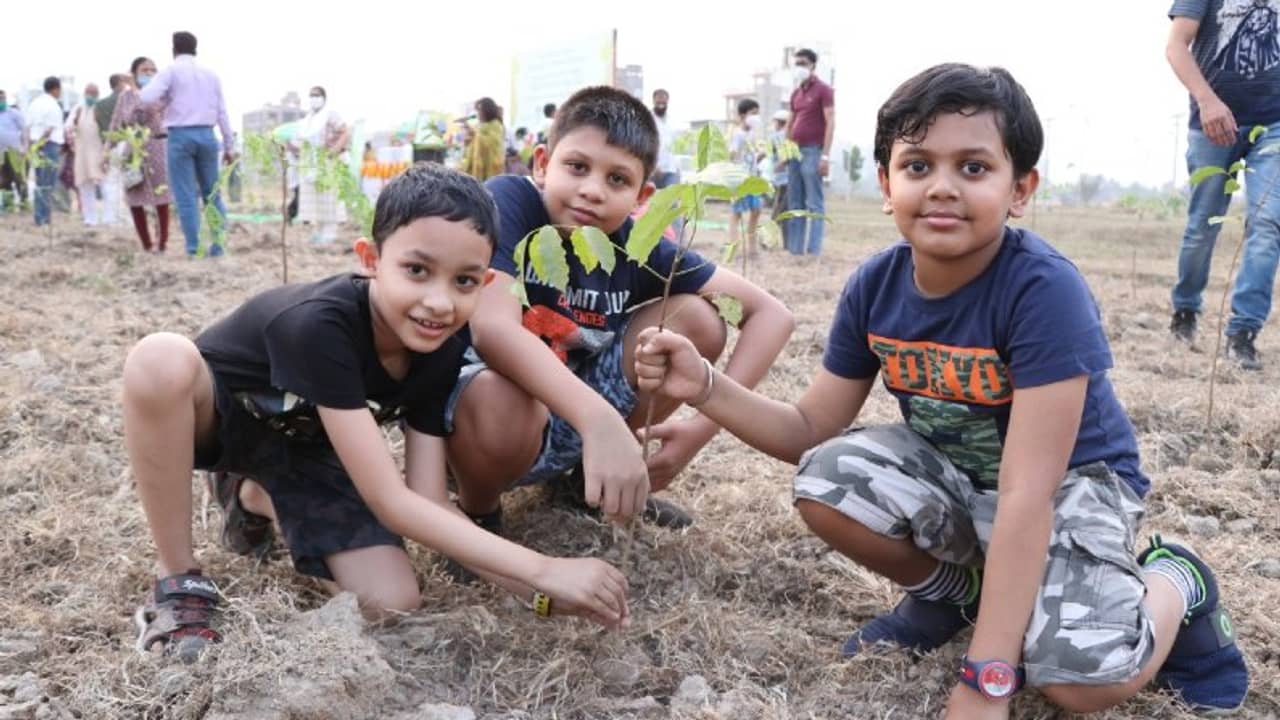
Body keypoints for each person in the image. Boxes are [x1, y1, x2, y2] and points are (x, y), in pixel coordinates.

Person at [633, 63, 1248, 717]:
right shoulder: (875, 287)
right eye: (918, 165)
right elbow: (809, 429)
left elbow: (1028, 492)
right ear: (885, 184)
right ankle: (956, 593)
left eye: (974, 168)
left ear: (1021, 189)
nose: (942, 188)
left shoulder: (1042, 290)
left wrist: (988, 675)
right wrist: (704, 384)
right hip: (966, 481)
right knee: (827, 479)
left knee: (1077, 683)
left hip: (1071, 488)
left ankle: (1178, 578)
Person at [124, 164, 630, 662]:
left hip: (309, 448)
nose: (438, 302)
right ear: (370, 259)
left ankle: (254, 496)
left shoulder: (443, 351)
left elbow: (426, 499)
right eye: (417, 270)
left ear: (488, 282)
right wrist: (543, 568)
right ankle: (179, 582)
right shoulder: (319, 325)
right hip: (224, 419)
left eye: (464, 281)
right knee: (160, 358)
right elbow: (391, 502)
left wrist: (531, 592)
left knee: (391, 602)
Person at [444, 85, 794, 534]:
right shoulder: (511, 201)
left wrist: (698, 433)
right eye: (577, 167)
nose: (592, 191)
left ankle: (586, 486)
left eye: (617, 179)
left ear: (642, 194)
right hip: (483, 425)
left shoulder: (636, 242)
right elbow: (493, 331)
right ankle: (478, 510)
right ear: (542, 164)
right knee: (498, 391)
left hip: (581, 422)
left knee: (697, 320)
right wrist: (600, 420)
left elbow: (772, 316)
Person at [1167, 0, 1280, 371]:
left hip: (1274, 126)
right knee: (1203, 225)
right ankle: (1185, 310)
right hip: (1212, 123)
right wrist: (1207, 101)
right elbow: (1176, 46)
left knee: (1267, 224)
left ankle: (1242, 333)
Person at [139, 31, 235, 257]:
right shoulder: (211, 75)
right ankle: (219, 246)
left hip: (180, 136)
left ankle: (195, 249)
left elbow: (145, 97)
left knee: (186, 196)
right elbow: (222, 112)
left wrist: (166, 99)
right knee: (212, 194)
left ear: (173, 50)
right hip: (207, 134)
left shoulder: (171, 71)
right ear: (195, 49)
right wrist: (229, 145)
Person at [111, 59, 172, 253]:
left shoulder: (161, 94)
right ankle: (146, 244)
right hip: (134, 150)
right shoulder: (125, 96)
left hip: (158, 146)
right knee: (134, 197)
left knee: (161, 198)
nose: (149, 73)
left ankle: (161, 243)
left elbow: (148, 112)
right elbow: (120, 122)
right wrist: (106, 151)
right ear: (134, 73)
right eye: (144, 70)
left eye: (153, 70)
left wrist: (138, 92)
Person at [783, 48, 835, 256]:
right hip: (794, 152)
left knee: (814, 203)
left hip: (813, 150)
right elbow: (790, 123)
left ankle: (814, 251)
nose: (799, 67)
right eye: (796, 63)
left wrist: (825, 155)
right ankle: (795, 251)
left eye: (803, 63)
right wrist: (786, 151)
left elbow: (831, 121)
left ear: (813, 65)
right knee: (795, 202)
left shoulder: (823, 90)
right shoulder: (796, 93)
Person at [294, 86, 350, 244]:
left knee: (329, 197)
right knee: (315, 198)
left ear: (324, 98)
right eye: (311, 95)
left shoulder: (330, 115)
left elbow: (345, 131)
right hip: (311, 162)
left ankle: (330, 232)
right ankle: (319, 231)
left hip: (328, 161)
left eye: (317, 95)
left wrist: (334, 150)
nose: (314, 98)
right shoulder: (308, 119)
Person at [727, 98, 766, 259]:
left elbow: (757, 154)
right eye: (753, 113)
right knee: (736, 214)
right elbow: (732, 154)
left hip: (753, 177)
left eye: (757, 113)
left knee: (756, 211)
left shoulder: (754, 134)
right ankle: (734, 247)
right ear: (743, 115)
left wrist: (760, 155)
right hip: (740, 179)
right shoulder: (737, 133)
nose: (756, 117)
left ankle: (752, 248)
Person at [66, 83, 108, 226]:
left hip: (99, 152)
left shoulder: (101, 108)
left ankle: (108, 218)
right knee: (85, 185)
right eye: (88, 92)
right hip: (82, 154)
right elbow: (68, 127)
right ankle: (90, 219)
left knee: (105, 184)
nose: (91, 95)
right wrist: (74, 124)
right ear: (84, 94)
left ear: (98, 94)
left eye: (93, 93)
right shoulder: (78, 109)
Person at [25, 76, 65, 227]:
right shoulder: (53, 105)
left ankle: (39, 217)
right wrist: (41, 144)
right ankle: (44, 219)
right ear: (55, 89)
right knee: (48, 184)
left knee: (40, 182)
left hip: (36, 145)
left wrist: (32, 146)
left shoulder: (34, 103)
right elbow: (49, 130)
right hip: (48, 145)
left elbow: (28, 128)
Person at [95, 74, 130, 225]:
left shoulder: (100, 105)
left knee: (111, 182)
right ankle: (126, 218)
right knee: (128, 182)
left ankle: (110, 217)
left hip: (108, 145)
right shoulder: (127, 101)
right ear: (120, 83)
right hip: (126, 144)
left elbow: (99, 127)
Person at [460, 97, 504, 182]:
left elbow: (491, 144)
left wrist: (475, 134)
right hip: (474, 169)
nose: (478, 113)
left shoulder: (496, 125)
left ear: (487, 110)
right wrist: (468, 138)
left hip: (490, 170)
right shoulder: (479, 126)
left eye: (480, 110)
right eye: (477, 110)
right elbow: (471, 144)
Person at [0, 90, 26, 212]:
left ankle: (24, 204)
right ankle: (8, 205)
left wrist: (25, 147)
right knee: (4, 181)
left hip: (15, 152)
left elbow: (25, 130)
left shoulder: (14, 114)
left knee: (19, 179)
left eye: (3, 99)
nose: (1, 101)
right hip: (1, 153)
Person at [650, 89, 679, 189]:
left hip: (670, 170)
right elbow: (643, 144)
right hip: (652, 170)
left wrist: (677, 166)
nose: (661, 104)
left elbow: (675, 146)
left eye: (664, 102)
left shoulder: (672, 121)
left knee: (672, 202)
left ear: (668, 101)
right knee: (647, 202)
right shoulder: (647, 119)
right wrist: (653, 164)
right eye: (658, 101)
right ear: (653, 101)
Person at [768, 109, 792, 223]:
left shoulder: (778, 136)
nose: (774, 125)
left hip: (783, 177)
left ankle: (769, 235)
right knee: (781, 207)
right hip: (784, 178)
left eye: (775, 122)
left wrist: (780, 164)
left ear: (780, 122)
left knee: (779, 208)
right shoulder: (783, 136)